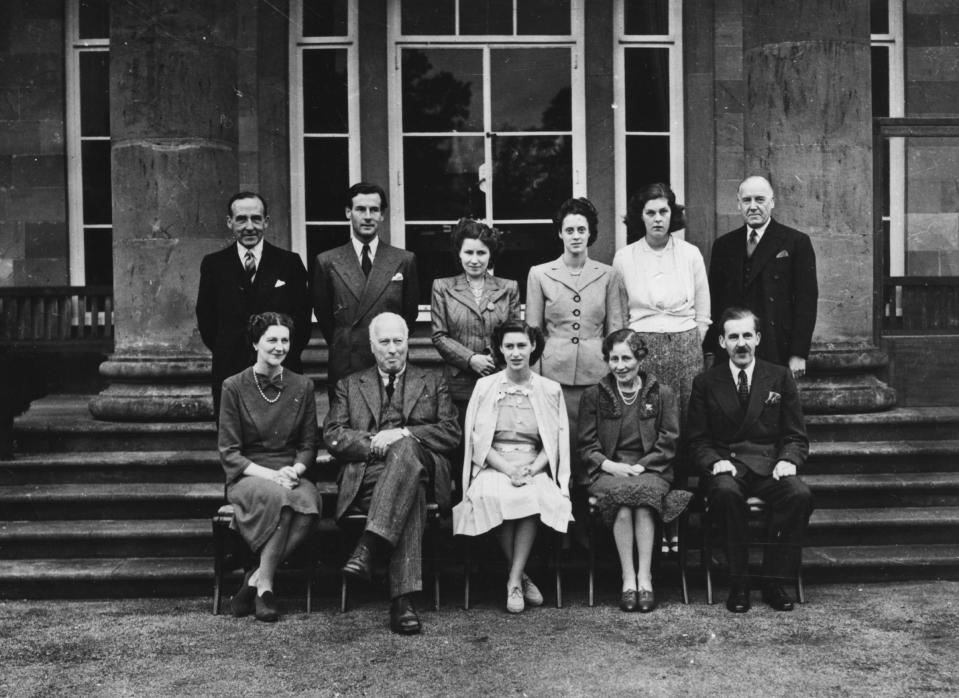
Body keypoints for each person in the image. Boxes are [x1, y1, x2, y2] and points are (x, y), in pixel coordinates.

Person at [323, 312, 460, 635]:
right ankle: (402, 602)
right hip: (367, 477)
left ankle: (370, 544)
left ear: (408, 343)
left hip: (421, 463)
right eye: (384, 342)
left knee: (407, 452)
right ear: (372, 346)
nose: (393, 348)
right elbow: (333, 435)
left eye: (399, 341)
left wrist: (404, 434)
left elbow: (451, 432)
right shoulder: (349, 385)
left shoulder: (433, 381)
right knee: (409, 494)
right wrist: (373, 442)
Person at [688, 307, 814, 613]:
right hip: (727, 465)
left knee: (800, 495)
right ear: (721, 342)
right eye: (733, 337)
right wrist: (714, 462)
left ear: (757, 338)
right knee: (725, 492)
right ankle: (739, 582)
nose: (741, 343)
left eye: (747, 335)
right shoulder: (706, 382)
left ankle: (773, 580)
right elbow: (697, 440)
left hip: (769, 465)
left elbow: (796, 435)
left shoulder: (779, 376)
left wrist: (788, 460)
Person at [453, 320, 573, 614]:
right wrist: (508, 470)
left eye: (522, 345)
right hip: (495, 464)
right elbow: (478, 440)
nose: (516, 353)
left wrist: (532, 470)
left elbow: (554, 441)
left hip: (534, 464)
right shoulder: (485, 386)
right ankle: (520, 577)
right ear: (500, 350)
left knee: (532, 498)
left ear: (533, 347)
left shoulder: (549, 389)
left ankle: (514, 579)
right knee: (494, 497)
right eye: (509, 346)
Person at [577, 329, 692, 613]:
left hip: (652, 468)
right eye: (613, 359)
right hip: (608, 471)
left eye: (626, 358)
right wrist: (610, 465)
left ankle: (645, 577)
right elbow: (586, 443)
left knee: (642, 500)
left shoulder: (661, 393)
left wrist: (642, 465)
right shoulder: (594, 395)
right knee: (624, 504)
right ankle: (628, 578)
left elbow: (669, 439)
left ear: (640, 358)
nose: (620, 365)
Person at [218, 312, 320, 622]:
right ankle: (266, 589)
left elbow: (308, 445)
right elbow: (230, 453)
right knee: (282, 501)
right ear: (255, 343)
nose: (279, 347)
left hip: (288, 473)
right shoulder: (233, 386)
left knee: (309, 503)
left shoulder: (303, 386)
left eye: (284, 340)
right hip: (250, 475)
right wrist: (271, 475)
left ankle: (254, 580)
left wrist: (295, 471)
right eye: (271, 340)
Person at [525, 197, 626, 484]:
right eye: (569, 230)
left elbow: (616, 330)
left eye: (581, 230)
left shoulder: (608, 274)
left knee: (593, 444)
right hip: (553, 372)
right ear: (560, 233)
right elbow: (533, 333)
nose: (576, 236)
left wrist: (614, 373)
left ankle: (588, 511)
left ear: (590, 233)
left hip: (597, 373)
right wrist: (535, 379)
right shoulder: (540, 274)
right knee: (557, 443)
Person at [197, 192, 311, 418]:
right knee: (235, 436)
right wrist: (231, 350)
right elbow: (207, 320)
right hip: (231, 368)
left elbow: (303, 320)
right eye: (241, 219)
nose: (249, 226)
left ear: (266, 221)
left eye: (256, 219)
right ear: (229, 222)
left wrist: (276, 353)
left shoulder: (289, 263)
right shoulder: (214, 265)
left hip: (280, 368)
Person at [613, 182, 710, 427]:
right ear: (641, 217)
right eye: (651, 213)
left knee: (688, 415)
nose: (658, 219)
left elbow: (703, 308)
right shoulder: (624, 257)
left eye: (663, 212)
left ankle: (687, 466)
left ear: (672, 215)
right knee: (648, 414)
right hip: (643, 347)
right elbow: (621, 311)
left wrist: (692, 340)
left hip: (686, 347)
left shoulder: (690, 254)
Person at [703, 175, 818, 379]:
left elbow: (806, 303)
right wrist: (711, 350)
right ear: (738, 204)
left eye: (760, 199)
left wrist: (798, 353)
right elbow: (714, 302)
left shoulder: (796, 242)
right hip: (733, 347)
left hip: (776, 346)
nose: (753, 206)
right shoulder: (723, 245)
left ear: (772, 202)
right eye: (747, 200)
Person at [313, 183, 419, 399]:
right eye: (361, 209)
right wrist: (345, 341)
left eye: (374, 210)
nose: (368, 216)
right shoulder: (328, 261)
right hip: (346, 363)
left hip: (388, 362)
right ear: (348, 213)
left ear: (382, 215)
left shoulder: (404, 260)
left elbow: (409, 316)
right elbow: (325, 319)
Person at [431, 218, 521, 420]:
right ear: (459, 254)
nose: (474, 259)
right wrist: (471, 359)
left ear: (491, 255)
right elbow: (439, 336)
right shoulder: (443, 287)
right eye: (468, 252)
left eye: (481, 253)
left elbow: (514, 335)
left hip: (498, 379)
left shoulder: (508, 288)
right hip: (458, 385)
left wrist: (492, 361)